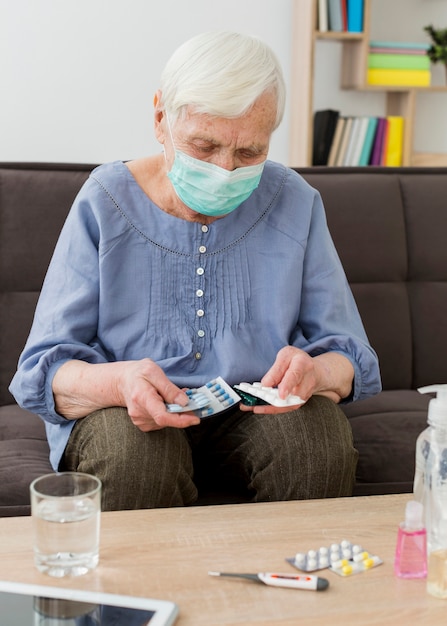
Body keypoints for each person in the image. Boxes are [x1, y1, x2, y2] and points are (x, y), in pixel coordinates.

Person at [10, 31, 381, 510]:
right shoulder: (104, 200)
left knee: (314, 441)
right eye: (204, 146)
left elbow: (350, 355)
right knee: (135, 457)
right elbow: (46, 366)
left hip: (252, 412)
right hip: (125, 414)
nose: (226, 170)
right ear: (162, 118)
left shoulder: (295, 202)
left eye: (249, 153)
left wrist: (317, 370)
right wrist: (120, 383)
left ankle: (288, 580)